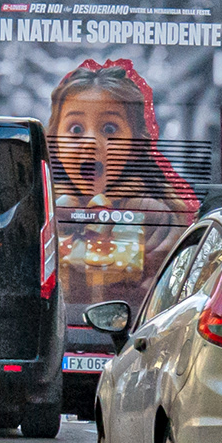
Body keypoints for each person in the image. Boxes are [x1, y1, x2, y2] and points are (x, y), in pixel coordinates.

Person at [46, 60, 199, 290]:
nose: (90, 143)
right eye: (76, 129)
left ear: (135, 145)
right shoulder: (41, 210)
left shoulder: (154, 216)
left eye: (109, 129)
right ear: (55, 142)